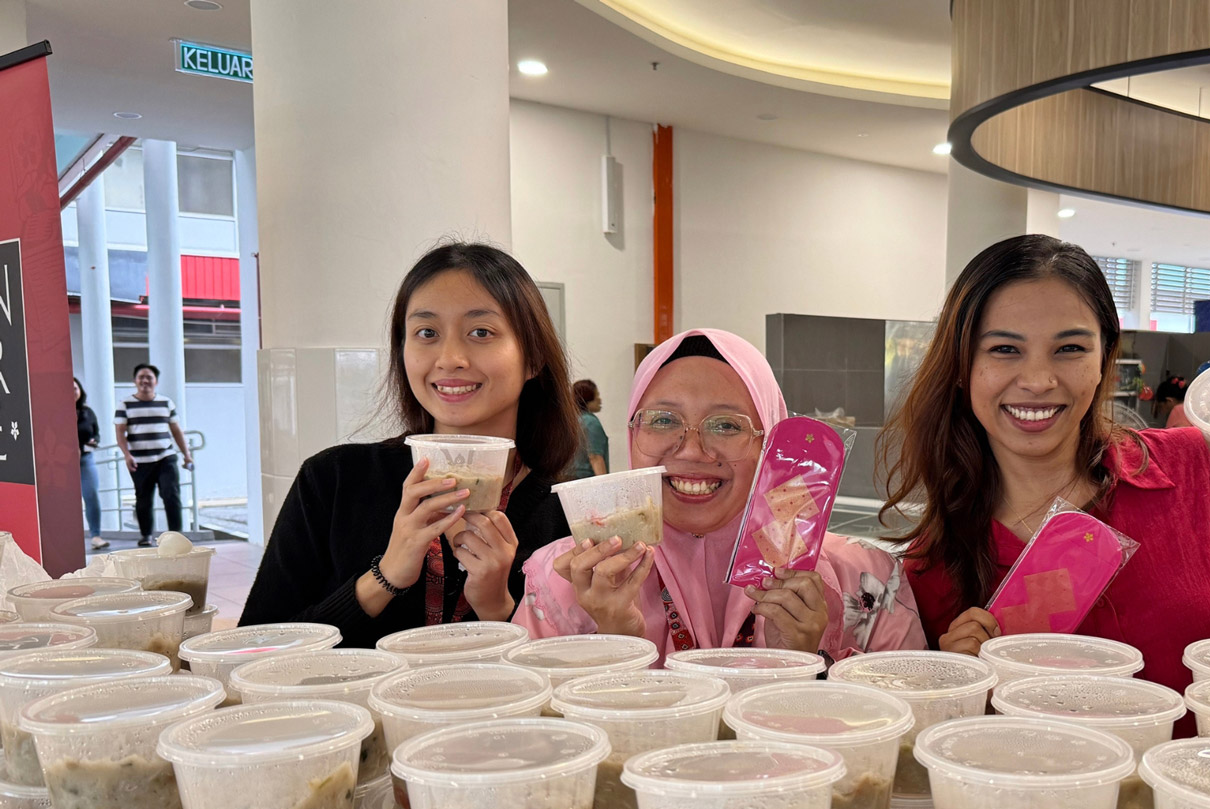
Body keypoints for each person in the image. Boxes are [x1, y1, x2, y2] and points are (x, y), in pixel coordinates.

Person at [878, 235, 1210, 714]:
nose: (1038, 381)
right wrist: (958, 684)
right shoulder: (933, 563)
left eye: (1070, 348)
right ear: (961, 365)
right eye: (1004, 350)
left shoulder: (1203, 470)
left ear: (1104, 359)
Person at [239, 242, 579, 644]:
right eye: (427, 333)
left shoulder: (566, 513)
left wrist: (499, 608)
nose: (450, 357)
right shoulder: (333, 480)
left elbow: (569, 676)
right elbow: (254, 648)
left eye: (481, 332)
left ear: (534, 357)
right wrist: (384, 577)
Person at [516, 328, 924, 662]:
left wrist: (807, 663)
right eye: (662, 420)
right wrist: (616, 645)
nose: (692, 450)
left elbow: (905, 742)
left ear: (772, 444)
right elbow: (534, 743)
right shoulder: (562, 580)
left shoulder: (867, 582)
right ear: (631, 433)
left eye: (727, 425)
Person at [114, 363, 194, 547]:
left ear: (156, 381)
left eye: (149, 377)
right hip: (140, 461)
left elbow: (176, 431)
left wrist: (186, 455)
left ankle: (176, 536)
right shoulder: (125, 404)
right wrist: (127, 455)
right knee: (143, 499)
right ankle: (146, 535)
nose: (145, 381)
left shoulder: (166, 403)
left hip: (166, 457)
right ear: (135, 381)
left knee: (171, 494)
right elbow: (120, 432)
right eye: (141, 377)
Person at [75, 377, 106, 550]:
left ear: (80, 390)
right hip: (61, 462)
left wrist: (94, 441)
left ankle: (96, 535)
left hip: (86, 459)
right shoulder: (56, 411)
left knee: (91, 494)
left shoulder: (88, 412)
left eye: (75, 388)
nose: (72, 392)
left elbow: (97, 433)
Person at [568, 379, 609, 479]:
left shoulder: (570, 421)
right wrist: (604, 484)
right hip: (586, 481)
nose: (600, 400)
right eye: (596, 396)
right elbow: (595, 457)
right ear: (587, 398)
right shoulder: (591, 423)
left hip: (567, 480)